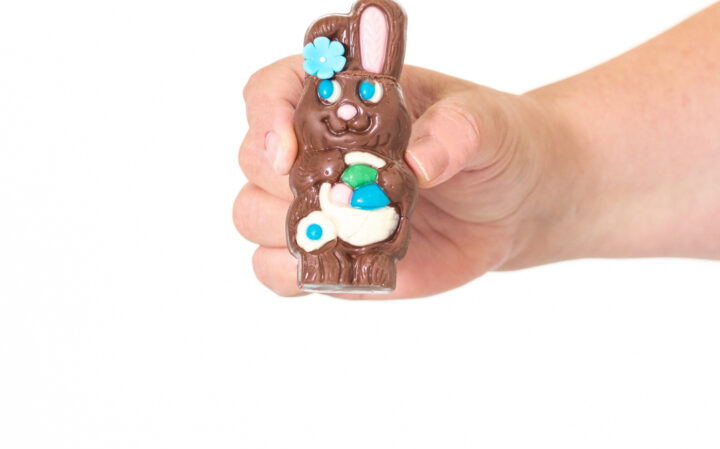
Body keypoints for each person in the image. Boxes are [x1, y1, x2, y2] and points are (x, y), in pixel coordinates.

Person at [233, 2, 720, 299]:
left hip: (377, 225)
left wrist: (388, 180)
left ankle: (370, 263)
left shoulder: (390, 161)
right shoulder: (320, 156)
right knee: (311, 230)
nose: (345, 114)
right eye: (326, 97)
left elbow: (400, 182)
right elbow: (304, 182)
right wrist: (554, 168)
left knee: (377, 241)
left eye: (365, 95)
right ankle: (326, 262)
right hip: (326, 229)